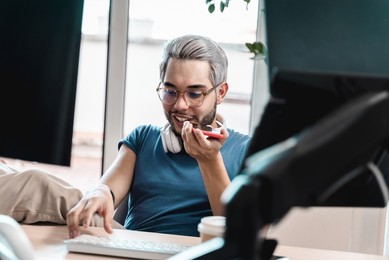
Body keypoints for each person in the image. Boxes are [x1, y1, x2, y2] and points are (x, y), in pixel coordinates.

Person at [0, 35, 251, 238]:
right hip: (132, 244)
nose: (180, 106)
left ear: (220, 93)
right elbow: (107, 189)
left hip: (196, 257)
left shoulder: (244, 149)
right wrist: (99, 193)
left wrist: (209, 161)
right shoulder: (144, 138)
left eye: (195, 94)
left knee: (35, 183)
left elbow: (243, 232)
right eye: (170, 91)